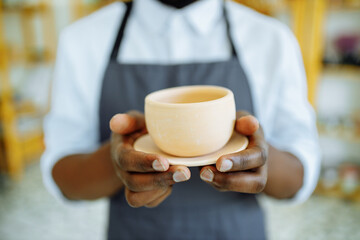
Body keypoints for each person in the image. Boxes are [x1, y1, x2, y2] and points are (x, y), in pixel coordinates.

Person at [41, 0, 321, 239]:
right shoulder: (83, 39)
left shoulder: (270, 38)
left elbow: (300, 174)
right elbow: (63, 174)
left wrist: (260, 158)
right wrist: (117, 161)